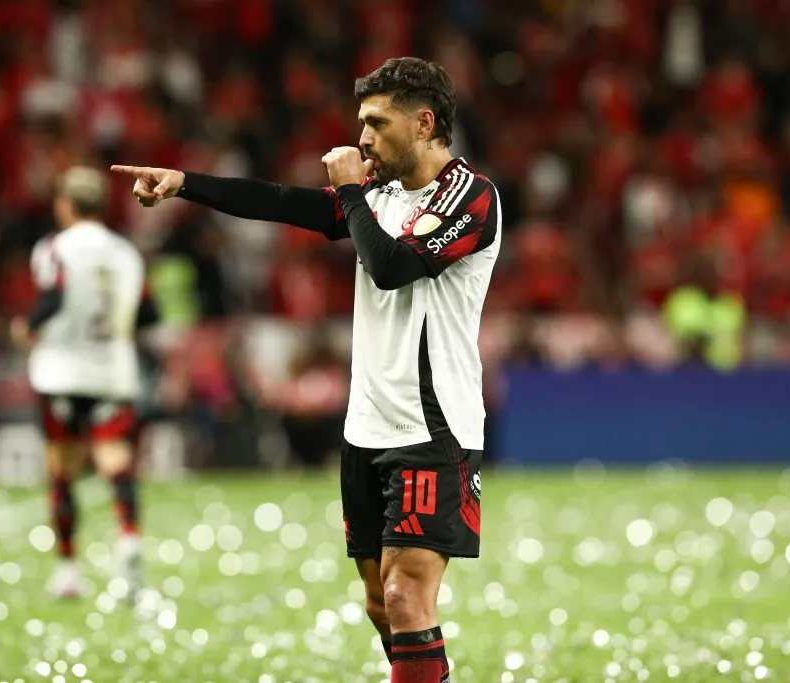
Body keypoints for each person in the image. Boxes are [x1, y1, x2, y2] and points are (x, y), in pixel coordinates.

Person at [112, 56, 500, 682]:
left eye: (375, 123)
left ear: (424, 123)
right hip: (366, 425)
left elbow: (393, 266)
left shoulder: (471, 196)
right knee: (382, 604)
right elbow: (281, 202)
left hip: (434, 428)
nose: (362, 140)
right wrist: (185, 182)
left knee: (406, 598)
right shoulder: (381, 195)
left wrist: (350, 192)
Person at [11, 166, 159, 599]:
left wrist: (27, 326)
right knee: (115, 460)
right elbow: (150, 314)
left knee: (61, 469)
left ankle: (69, 569)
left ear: (66, 204)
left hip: (60, 370)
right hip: (113, 372)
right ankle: (129, 539)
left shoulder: (55, 247)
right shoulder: (126, 253)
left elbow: (53, 296)